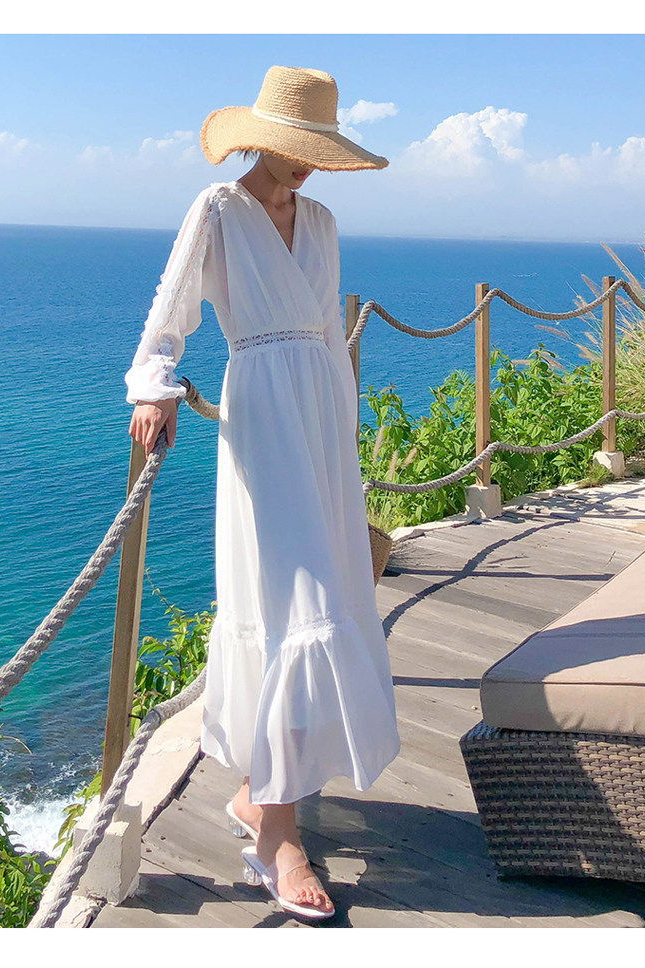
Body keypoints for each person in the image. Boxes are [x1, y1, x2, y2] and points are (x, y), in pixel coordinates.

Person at [125, 65, 401, 920]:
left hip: (321, 419)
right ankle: (277, 835)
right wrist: (154, 386)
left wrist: (341, 438)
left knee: (323, 597)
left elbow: (322, 337)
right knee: (292, 605)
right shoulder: (217, 210)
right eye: (295, 146)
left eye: (318, 149)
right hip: (263, 420)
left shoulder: (320, 222)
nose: (306, 164)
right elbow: (171, 310)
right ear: (263, 139)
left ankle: (257, 795)